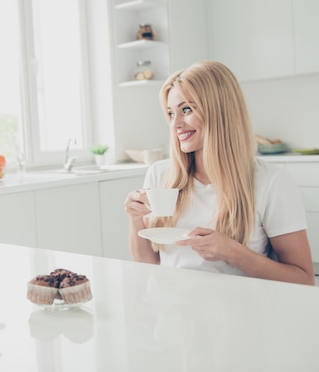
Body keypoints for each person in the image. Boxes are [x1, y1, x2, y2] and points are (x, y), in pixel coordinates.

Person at [124, 60, 314, 285]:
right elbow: (148, 265)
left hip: (238, 312)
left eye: (186, 109)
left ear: (220, 111)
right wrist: (136, 220)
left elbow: (303, 280)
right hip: (172, 311)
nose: (176, 124)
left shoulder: (270, 181)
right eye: (171, 113)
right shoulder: (160, 174)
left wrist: (234, 253)